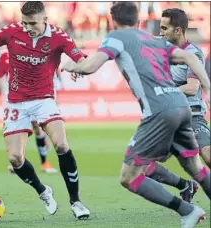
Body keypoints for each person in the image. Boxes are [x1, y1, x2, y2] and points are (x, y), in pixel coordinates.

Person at [62, 2, 210, 227]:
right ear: (138, 21)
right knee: (194, 167)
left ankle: (186, 210)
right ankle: (186, 193)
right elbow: (190, 58)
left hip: (159, 112)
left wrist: (68, 65)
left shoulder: (116, 38)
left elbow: (89, 67)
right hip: (181, 108)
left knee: (129, 176)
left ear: (114, 22)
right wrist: (208, 87)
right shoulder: (153, 40)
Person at [0, 1, 90, 219]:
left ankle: (76, 201)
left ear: (45, 19)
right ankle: (43, 191)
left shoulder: (59, 36)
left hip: (44, 99)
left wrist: (78, 68)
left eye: (32, 23)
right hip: (16, 102)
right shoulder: (10, 31)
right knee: (15, 158)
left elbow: (81, 59)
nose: (27, 27)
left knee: (62, 144)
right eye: (24, 22)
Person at [142, 8, 211, 204]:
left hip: (191, 116)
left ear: (178, 30)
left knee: (207, 155)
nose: (160, 32)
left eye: (164, 28)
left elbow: (192, 87)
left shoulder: (193, 53)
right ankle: (184, 185)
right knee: (142, 165)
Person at [0, 47, 58, 174]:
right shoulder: (3, 55)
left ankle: (44, 162)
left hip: (31, 96)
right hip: (12, 99)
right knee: (14, 128)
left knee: (37, 127)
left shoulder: (30, 51)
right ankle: (15, 162)